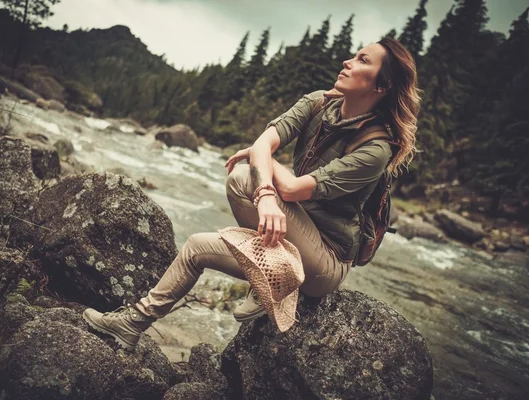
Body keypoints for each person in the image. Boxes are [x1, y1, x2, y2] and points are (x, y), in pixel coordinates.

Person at [82, 37, 422, 350]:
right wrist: (267, 189)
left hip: (325, 260)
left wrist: (266, 169)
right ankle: (132, 323)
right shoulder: (318, 104)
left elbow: (288, 185)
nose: (348, 61)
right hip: (290, 234)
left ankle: (275, 281)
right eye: (353, 54)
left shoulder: (375, 148)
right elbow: (263, 142)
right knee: (197, 246)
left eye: (362, 60)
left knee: (246, 176)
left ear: (381, 85)